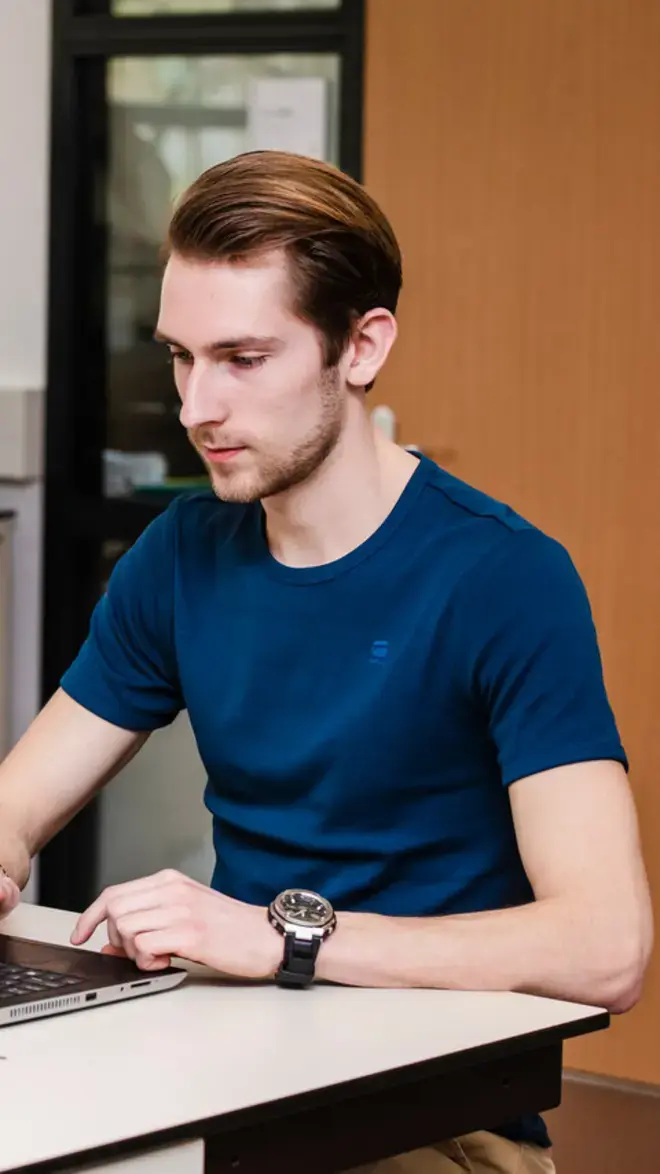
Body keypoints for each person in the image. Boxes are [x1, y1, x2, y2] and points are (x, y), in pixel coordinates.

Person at [0, 151, 653, 1174]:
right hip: (223, 1065)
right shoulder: (181, 556)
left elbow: (607, 945)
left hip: (429, 1113)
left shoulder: (504, 577)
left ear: (361, 346)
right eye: (180, 355)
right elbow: (18, 803)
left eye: (243, 358)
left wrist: (288, 939)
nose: (194, 406)